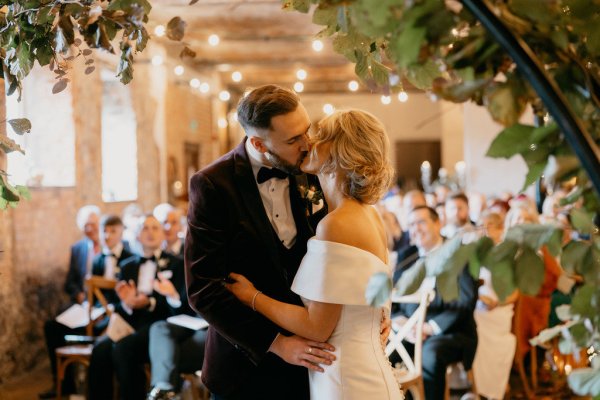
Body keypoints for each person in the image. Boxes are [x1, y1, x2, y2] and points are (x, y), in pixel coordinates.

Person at [227, 109, 402, 399]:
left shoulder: (337, 224)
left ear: (340, 151)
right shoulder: (370, 215)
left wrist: (252, 297)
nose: (309, 141)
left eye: (319, 136)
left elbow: (317, 327)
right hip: (359, 366)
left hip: (345, 377)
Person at [185, 84, 336, 400]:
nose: (307, 144)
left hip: (314, 361)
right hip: (245, 366)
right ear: (258, 143)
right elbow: (203, 289)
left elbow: (342, 253)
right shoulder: (213, 185)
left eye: (306, 131)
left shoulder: (311, 167)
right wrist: (277, 343)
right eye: (293, 139)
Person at [88, 214, 187, 400]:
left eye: (155, 228)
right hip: (130, 323)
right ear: (137, 236)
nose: (150, 232)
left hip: (158, 325)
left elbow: (179, 305)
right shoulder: (127, 266)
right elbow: (118, 304)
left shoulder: (176, 264)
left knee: (123, 349)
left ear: (163, 234)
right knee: (100, 350)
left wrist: (150, 302)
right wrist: (127, 303)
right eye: (145, 228)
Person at [393, 206, 478, 400]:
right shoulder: (407, 256)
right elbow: (393, 300)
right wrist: (403, 325)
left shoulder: (460, 253)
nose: (416, 228)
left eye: (421, 222)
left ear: (438, 223)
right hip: (410, 332)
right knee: (384, 356)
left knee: (429, 355)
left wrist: (428, 328)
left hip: (451, 332)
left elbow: (465, 302)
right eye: (411, 224)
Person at [39, 205, 101, 399]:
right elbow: (70, 282)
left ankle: (96, 385)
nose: (89, 228)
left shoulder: (109, 247)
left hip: (101, 307)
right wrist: (79, 295)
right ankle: (64, 384)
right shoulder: (78, 248)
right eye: (85, 225)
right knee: (52, 327)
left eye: (92, 224)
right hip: (82, 306)